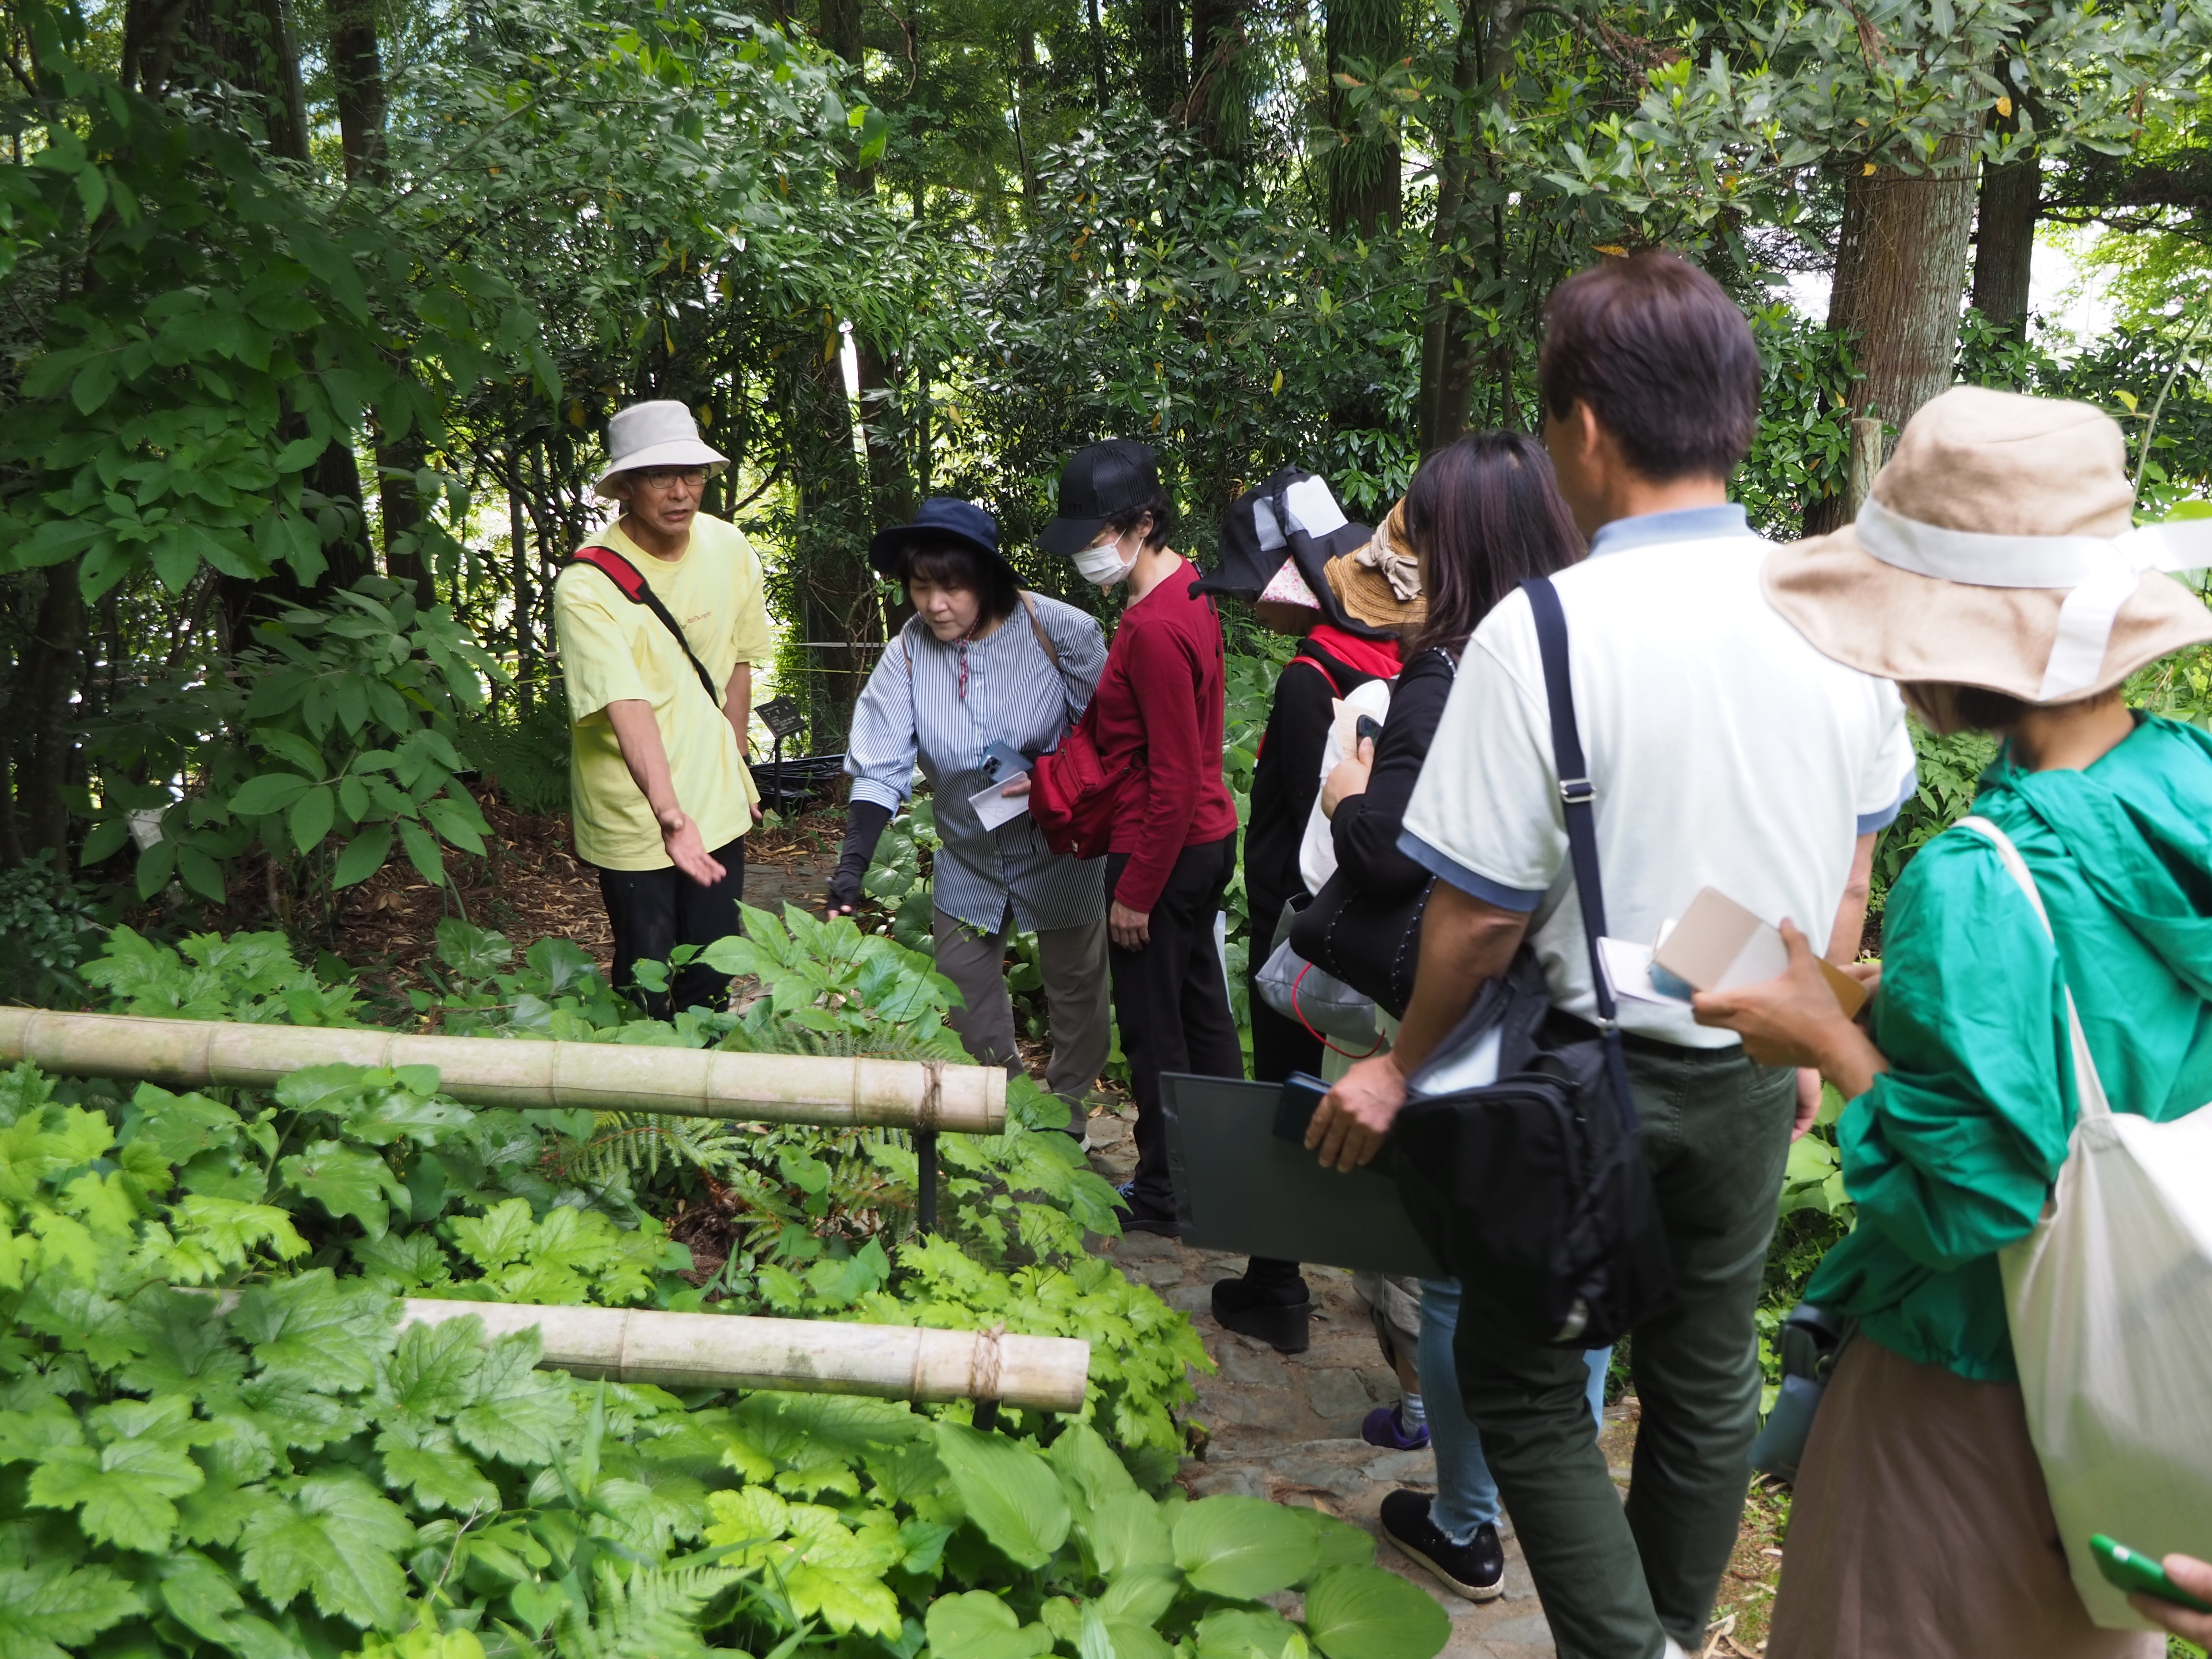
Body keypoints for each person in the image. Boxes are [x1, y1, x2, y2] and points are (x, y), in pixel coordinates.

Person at [1303, 252, 1918, 1659]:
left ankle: (1628, 1649)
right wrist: (1809, 1033)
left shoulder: (1546, 628)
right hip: (1757, 1070)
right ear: (1737, 415)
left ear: (1584, 427)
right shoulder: (1841, 612)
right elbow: (1850, 870)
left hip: (1587, 1079)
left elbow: (1476, 921)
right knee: (1705, 1379)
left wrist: (1399, 1070)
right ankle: (1672, 1635)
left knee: (1523, 1374)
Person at [1691, 386, 2212, 1659]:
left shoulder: (1981, 871)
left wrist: (1828, 1039)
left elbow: (1978, 1196)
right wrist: (1885, 1007)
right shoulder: (2182, 779)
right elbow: (2105, 1030)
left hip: (1972, 1398)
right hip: (2146, 1395)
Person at [1313, 433, 1600, 1601]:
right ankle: (1558, 1493)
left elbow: (1457, 900)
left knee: (1456, 1280)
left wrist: (1407, 1057)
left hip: (1492, 1017)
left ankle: (1471, 1518)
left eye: (1423, 527)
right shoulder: (1599, 639)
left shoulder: (1467, 665)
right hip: (1605, 1012)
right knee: (1576, 1266)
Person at [831, 497, 1111, 1132]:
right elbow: (880, 764)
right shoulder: (906, 651)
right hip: (971, 854)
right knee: (964, 990)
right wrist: (852, 868)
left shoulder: (1059, 629)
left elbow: (1112, 731)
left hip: (1060, 845)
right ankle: (1007, 1114)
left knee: (1077, 989)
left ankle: (1067, 1117)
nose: (934, 605)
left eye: (952, 587)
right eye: (921, 587)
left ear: (986, 580)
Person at [1205, 475, 1406, 1353]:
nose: (1253, 601)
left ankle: (1277, 1284)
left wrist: (1287, 937)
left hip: (1300, 927)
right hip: (1370, 927)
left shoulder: (1308, 678)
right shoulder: (1401, 659)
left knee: (1286, 1094)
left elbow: (1300, 830)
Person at [1030, 440, 1241, 1236]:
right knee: (1204, 1021)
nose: (1088, 550)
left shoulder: (1154, 628)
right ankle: (1221, 1180)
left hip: (1165, 846)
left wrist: (1135, 892)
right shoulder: (1189, 587)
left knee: (1156, 1034)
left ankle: (1163, 1194)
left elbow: (1174, 773)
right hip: (1202, 839)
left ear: (1141, 524)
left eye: (1096, 535)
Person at [553, 400, 771, 1019]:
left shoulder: (727, 546)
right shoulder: (588, 586)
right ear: (624, 486)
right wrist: (671, 818)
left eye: (692, 474)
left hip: (717, 799)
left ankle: (706, 1096)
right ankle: (644, 1097)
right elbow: (626, 702)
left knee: (715, 962)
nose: (680, 492)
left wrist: (735, 762)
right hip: (633, 808)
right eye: (659, 477)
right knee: (646, 973)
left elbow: (735, 662)